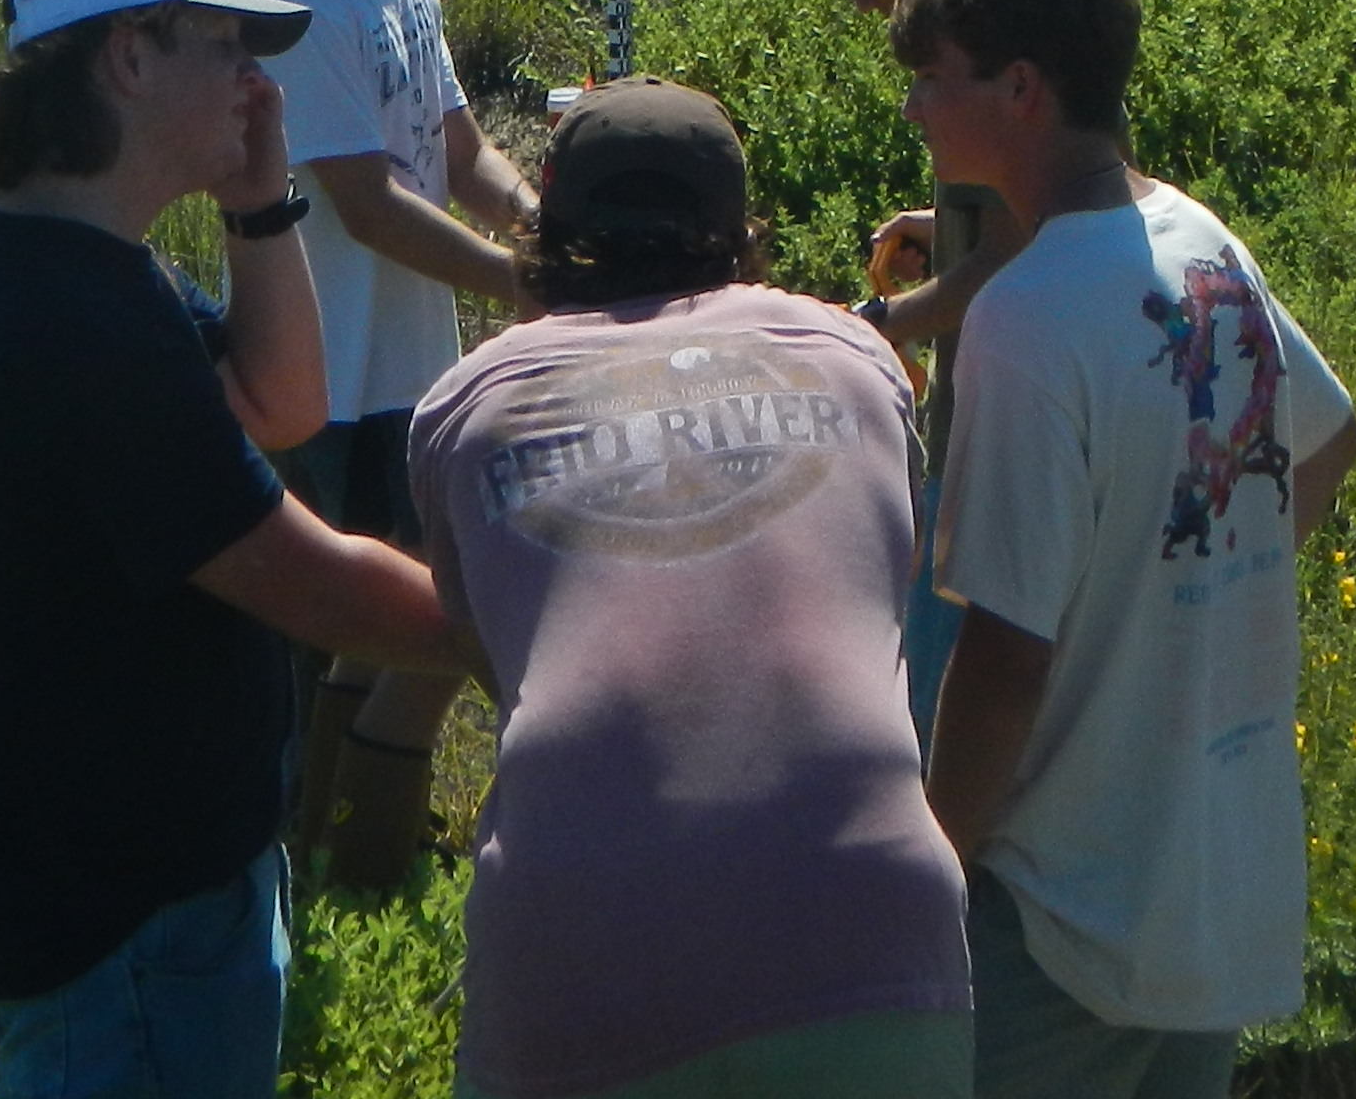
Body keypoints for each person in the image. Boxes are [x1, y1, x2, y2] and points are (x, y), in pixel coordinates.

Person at [0, 0, 460, 1099]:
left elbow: (282, 401)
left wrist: (261, 205)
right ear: (129, 56)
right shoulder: (72, 328)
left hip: (140, 875)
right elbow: (305, 581)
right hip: (122, 916)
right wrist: (530, 619)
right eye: (226, 45)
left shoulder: (58, 259)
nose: (257, 80)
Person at [411, 79, 973, 1099]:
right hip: (867, 916)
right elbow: (883, 601)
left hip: (580, 920)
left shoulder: (471, 403)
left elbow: (495, 653)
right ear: (740, 224)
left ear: (547, 215)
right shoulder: (852, 356)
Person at [895, 0, 1356, 1099]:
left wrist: (929, 874)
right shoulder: (1202, 244)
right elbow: (1327, 438)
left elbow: (1002, 655)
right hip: (1215, 885)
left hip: (1065, 909)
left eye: (930, 78)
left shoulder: (1028, 315)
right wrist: (1182, 608)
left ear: (1020, 88)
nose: (912, 110)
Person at [249, 0, 540, 891]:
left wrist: (538, 216)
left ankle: (363, 853)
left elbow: (457, 150)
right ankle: (315, 858)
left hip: (415, 365)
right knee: (344, 632)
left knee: (411, 606)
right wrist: (527, 283)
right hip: (329, 369)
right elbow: (366, 205)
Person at [781, 0, 1004, 736]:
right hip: (987, 417)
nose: (866, 8)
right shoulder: (1008, 14)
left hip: (1000, 433)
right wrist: (939, 222)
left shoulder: (982, 43)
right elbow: (1014, 214)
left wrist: (879, 323)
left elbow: (1020, 256)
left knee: (942, 707)